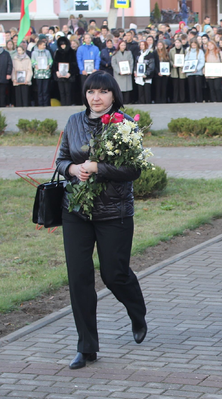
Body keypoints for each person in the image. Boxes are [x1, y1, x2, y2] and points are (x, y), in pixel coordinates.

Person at [55, 71, 148, 370]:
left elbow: (134, 169)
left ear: (113, 95)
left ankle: (136, 311)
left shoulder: (126, 125)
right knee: (79, 278)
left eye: (103, 92)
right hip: (76, 211)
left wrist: (98, 167)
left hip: (114, 213)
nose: (96, 98)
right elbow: (61, 160)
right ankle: (87, 347)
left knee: (114, 274)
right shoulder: (73, 122)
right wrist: (72, 169)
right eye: (91, 92)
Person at [54, 35, 79, 106]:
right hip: (60, 75)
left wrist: (70, 73)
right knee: (61, 91)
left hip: (68, 76)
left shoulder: (71, 52)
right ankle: (63, 104)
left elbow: (74, 65)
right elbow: (55, 65)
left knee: (68, 91)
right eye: (61, 45)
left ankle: (68, 104)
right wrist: (57, 72)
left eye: (64, 44)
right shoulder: (57, 53)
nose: (63, 46)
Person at [31, 38, 53, 107]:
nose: (44, 46)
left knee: (45, 90)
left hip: (46, 73)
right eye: (43, 45)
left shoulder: (47, 52)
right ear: (39, 45)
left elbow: (50, 60)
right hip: (38, 74)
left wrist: (49, 65)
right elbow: (33, 61)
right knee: (39, 90)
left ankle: (46, 104)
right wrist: (35, 65)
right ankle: (40, 104)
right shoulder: (34, 53)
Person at [185, 38, 205, 103]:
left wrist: (197, 69)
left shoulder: (200, 51)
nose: (193, 46)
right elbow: (186, 61)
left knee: (198, 87)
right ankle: (192, 100)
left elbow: (202, 62)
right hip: (190, 73)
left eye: (194, 45)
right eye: (192, 45)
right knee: (191, 87)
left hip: (198, 72)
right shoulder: (188, 51)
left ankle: (199, 100)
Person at [169, 38, 187, 103]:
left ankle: (182, 99)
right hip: (174, 70)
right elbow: (170, 59)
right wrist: (172, 64)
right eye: (176, 42)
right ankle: (175, 99)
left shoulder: (184, 50)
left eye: (179, 42)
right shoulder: (171, 51)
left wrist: (184, 65)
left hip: (181, 70)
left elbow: (186, 59)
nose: (177, 44)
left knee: (182, 86)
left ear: (181, 43)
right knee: (175, 86)